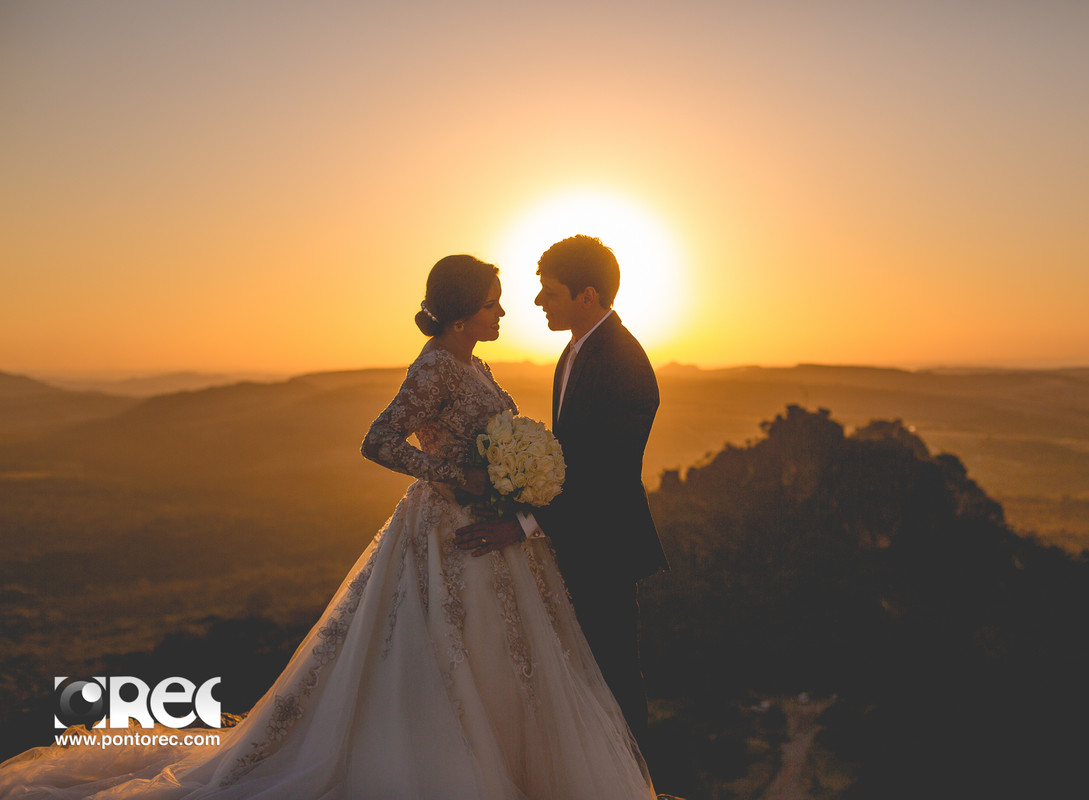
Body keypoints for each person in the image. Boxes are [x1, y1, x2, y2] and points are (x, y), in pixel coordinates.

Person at [0, 255, 656, 799]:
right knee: (441, 654)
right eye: (494, 302)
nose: (505, 311)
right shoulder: (432, 367)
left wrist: (513, 482)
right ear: (464, 311)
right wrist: (459, 476)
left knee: (498, 652)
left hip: (495, 531)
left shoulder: (478, 365)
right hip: (448, 528)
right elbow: (378, 441)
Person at [455, 235, 668, 744]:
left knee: (612, 672)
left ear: (587, 296)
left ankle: (634, 787)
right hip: (575, 540)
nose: (537, 302)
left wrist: (524, 524)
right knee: (582, 673)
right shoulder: (575, 351)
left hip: (604, 544)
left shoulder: (622, 362)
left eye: (549, 292)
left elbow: (604, 475)